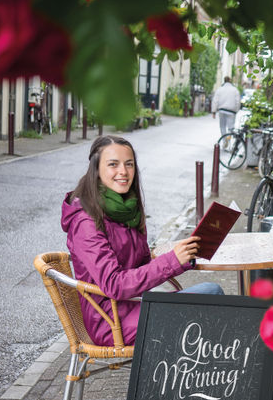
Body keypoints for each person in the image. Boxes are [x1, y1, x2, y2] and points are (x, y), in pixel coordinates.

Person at [61, 135, 223, 347]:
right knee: (213, 295)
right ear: (96, 170)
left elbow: (141, 266)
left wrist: (179, 255)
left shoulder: (126, 209)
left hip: (136, 304)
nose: (123, 172)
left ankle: (184, 372)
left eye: (129, 164)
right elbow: (114, 284)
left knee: (213, 297)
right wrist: (172, 261)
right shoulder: (86, 222)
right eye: (113, 164)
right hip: (112, 321)